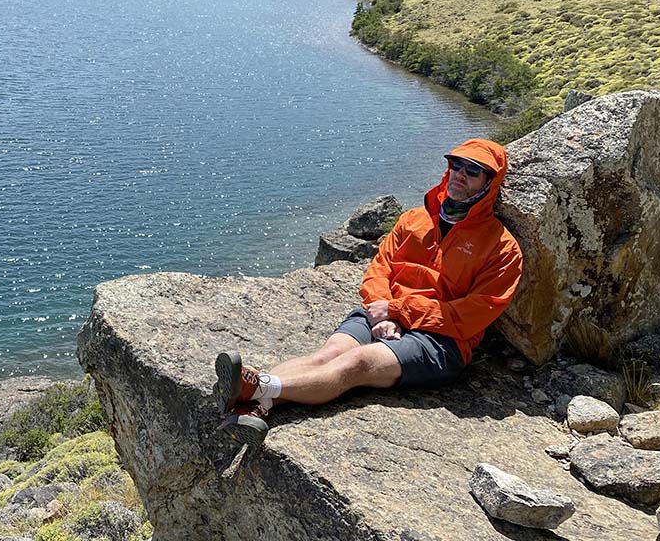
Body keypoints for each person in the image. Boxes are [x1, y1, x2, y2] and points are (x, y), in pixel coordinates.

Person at [214, 138, 523, 447]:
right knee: (329, 354)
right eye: (456, 165)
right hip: (381, 311)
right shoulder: (414, 219)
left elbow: (472, 315)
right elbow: (379, 269)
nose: (460, 174)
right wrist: (381, 310)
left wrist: (398, 311)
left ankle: (255, 388)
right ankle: (257, 405)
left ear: (489, 183)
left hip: (440, 340)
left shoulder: (501, 248)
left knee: (357, 363)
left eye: (473, 171)